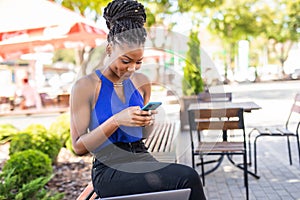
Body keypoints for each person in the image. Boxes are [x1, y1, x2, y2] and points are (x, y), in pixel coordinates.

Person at [70, 0, 206, 199]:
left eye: (138, 62)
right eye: (125, 60)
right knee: (187, 177)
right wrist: (117, 120)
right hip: (109, 169)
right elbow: (78, 147)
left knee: (179, 189)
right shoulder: (86, 86)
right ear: (109, 50)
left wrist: (147, 121)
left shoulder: (142, 83)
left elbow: (143, 134)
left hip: (142, 158)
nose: (132, 68)